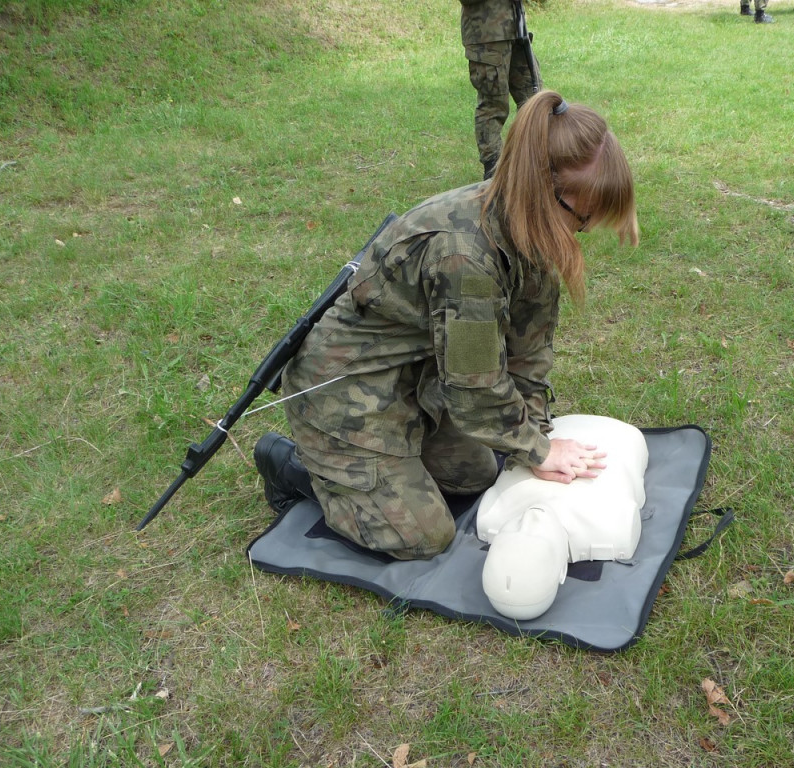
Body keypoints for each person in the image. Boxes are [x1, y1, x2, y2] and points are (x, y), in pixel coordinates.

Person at [254, 90, 639, 561]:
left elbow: (527, 356)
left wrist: (537, 436)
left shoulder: (528, 228)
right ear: (544, 191)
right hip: (346, 391)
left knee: (476, 475)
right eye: (582, 218)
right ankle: (296, 465)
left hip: (415, 382)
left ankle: (392, 461)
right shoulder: (465, 257)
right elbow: (476, 389)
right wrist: (538, 452)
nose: (581, 232)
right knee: (423, 536)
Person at [460, 0, 542, 179]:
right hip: (486, 37)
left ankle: (531, 166)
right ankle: (493, 176)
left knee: (534, 98)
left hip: (516, 29)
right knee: (493, 104)